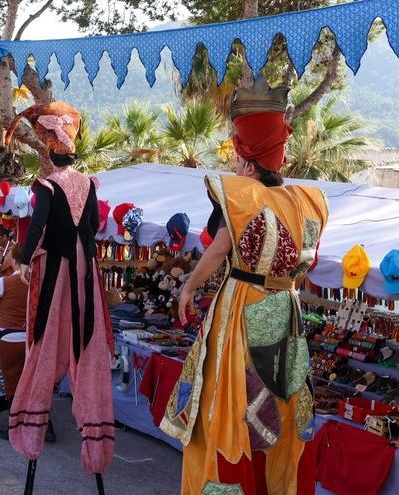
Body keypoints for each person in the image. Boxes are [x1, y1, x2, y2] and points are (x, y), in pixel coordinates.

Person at [161, 80, 329, 494]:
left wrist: (188, 289)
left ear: (249, 165)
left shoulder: (243, 196)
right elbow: (306, 264)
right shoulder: (308, 200)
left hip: (242, 307)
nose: (235, 169)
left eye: (239, 160)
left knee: (231, 405)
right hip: (285, 309)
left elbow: (217, 251)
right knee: (281, 401)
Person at [8, 102, 115, 478]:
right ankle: (96, 443)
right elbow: (95, 224)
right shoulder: (89, 184)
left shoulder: (47, 186)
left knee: (45, 332)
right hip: (85, 270)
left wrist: (24, 261)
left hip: (55, 269)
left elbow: (36, 226)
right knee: (84, 334)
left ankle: (32, 425)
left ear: (51, 154)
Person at [0, 243, 58, 442]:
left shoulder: (6, 282)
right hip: (34, 342)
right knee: (35, 385)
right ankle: (47, 427)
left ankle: (15, 428)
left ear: (15, 260)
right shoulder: (40, 281)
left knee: (13, 386)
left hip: (11, 341)